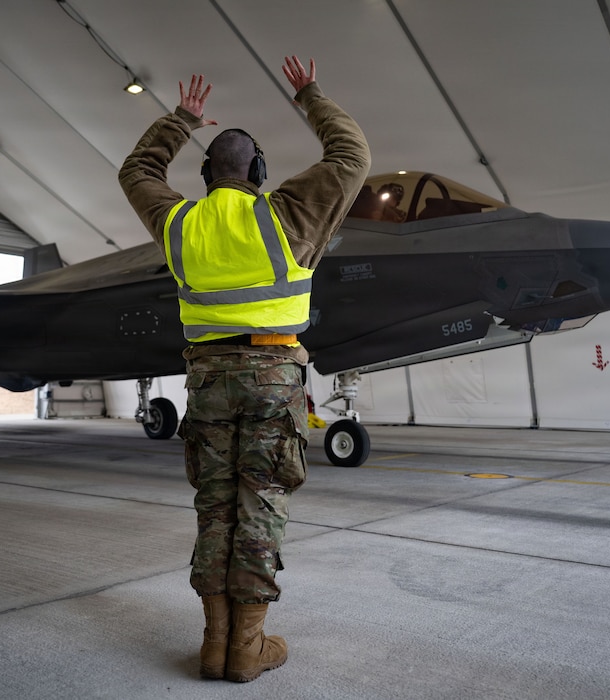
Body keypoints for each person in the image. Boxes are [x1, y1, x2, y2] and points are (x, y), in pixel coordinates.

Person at [118, 56, 370, 683]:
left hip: (205, 380)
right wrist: (309, 92)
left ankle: (214, 643)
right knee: (262, 504)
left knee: (216, 506)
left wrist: (181, 119)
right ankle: (247, 648)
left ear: (206, 175)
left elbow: (136, 170)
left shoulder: (179, 224)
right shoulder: (287, 215)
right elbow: (351, 154)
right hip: (271, 374)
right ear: (258, 171)